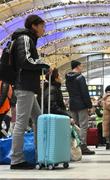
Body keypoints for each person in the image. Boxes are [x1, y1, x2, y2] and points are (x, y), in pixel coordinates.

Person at [10, 15, 50, 169]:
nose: (44, 30)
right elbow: (25, 61)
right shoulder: (25, 38)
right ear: (34, 26)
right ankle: (17, 160)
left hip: (29, 87)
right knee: (21, 123)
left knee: (39, 120)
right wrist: (44, 65)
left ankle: (41, 155)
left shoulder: (30, 39)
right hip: (24, 87)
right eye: (42, 26)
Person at [65, 60, 95, 155]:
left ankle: (74, 146)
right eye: (81, 66)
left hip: (72, 104)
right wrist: (89, 106)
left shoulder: (67, 78)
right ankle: (83, 146)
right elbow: (84, 93)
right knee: (83, 126)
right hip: (81, 105)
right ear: (77, 66)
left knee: (74, 125)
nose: (82, 68)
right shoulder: (80, 77)